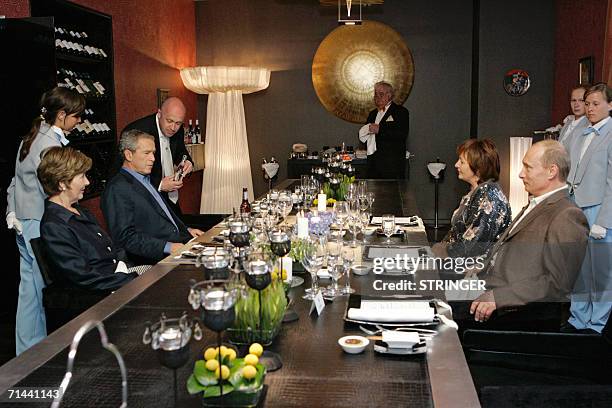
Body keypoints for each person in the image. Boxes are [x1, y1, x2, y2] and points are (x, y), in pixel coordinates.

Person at [467, 140, 588, 327]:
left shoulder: (567, 215)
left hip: (516, 312)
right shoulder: (538, 203)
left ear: (551, 171)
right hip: (487, 287)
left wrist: (498, 297)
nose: (521, 174)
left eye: (528, 168)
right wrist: (477, 266)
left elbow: (557, 284)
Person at [6, 87, 85, 355]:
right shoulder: (48, 143)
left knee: (29, 292)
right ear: (61, 115)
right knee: (41, 292)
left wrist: (11, 211)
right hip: (38, 224)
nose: (79, 121)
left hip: (23, 222)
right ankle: (38, 354)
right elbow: (55, 189)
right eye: (76, 116)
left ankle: (28, 352)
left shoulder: (32, 137)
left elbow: (15, 181)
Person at [38, 147, 138, 291]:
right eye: (82, 176)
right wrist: (131, 280)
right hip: (102, 292)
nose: (87, 182)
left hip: (116, 277)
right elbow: (84, 277)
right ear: (62, 183)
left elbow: (111, 249)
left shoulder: (79, 210)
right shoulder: (53, 225)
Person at [102, 129, 203, 265]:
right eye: (146, 153)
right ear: (128, 155)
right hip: (156, 260)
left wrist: (187, 230)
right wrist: (168, 247)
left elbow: (161, 217)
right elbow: (125, 238)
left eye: (153, 153)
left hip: (181, 244)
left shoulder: (145, 179)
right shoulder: (118, 188)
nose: (153, 158)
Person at [563, 83, 612, 333]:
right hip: (577, 205)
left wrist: (604, 220)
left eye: (595, 104)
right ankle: (578, 318)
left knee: (600, 270)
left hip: (599, 208)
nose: (590, 108)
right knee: (579, 267)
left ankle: (597, 323)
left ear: (610, 105)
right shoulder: (583, 130)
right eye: (588, 103)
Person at [432, 139, 511, 259]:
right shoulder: (477, 191)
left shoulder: (489, 195)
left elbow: (474, 245)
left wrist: (440, 252)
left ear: (478, 168)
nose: (456, 164)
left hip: (474, 271)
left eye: (462, 162)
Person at [122, 97, 193, 215]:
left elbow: (181, 151)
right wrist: (159, 185)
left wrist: (187, 162)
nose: (173, 128)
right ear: (159, 113)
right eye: (169, 121)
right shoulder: (138, 131)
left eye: (178, 123)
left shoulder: (177, 129)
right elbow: (125, 173)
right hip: (146, 202)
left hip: (171, 198)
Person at [358, 81, 409, 179]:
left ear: (389, 95)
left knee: (391, 194)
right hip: (373, 165)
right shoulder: (372, 114)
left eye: (380, 94)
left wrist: (379, 130)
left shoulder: (401, 112)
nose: (377, 97)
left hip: (391, 166)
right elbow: (364, 134)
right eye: (375, 94)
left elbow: (402, 135)